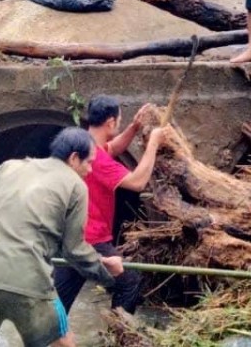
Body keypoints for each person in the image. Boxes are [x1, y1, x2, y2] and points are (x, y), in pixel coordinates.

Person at [0, 127, 125, 347]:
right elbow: (74, 249)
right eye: (89, 162)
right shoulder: (75, 186)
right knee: (61, 342)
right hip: (28, 279)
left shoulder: (9, 167)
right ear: (73, 158)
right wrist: (106, 272)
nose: (90, 170)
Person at [53, 96, 168, 317]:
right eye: (120, 121)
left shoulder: (86, 145)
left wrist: (134, 128)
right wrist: (153, 143)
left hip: (70, 235)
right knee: (130, 282)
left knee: (58, 302)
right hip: (92, 239)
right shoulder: (99, 160)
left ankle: (45, 335)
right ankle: (118, 333)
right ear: (111, 122)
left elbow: (112, 148)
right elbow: (137, 182)